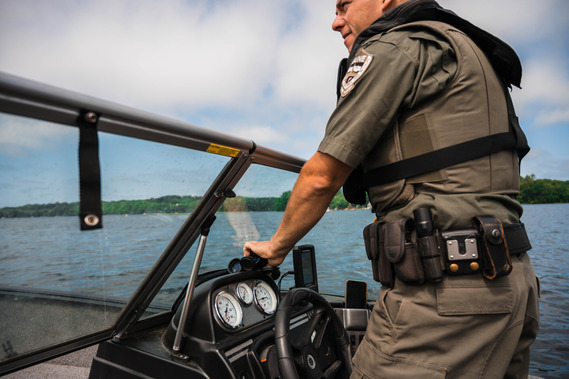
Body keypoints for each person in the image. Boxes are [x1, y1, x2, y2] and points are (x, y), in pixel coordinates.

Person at [244, 0, 539, 377]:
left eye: (344, 5)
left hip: (447, 297)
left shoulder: (396, 46)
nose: (336, 22)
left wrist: (276, 246)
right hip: (513, 281)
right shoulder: (464, 47)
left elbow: (322, 177)